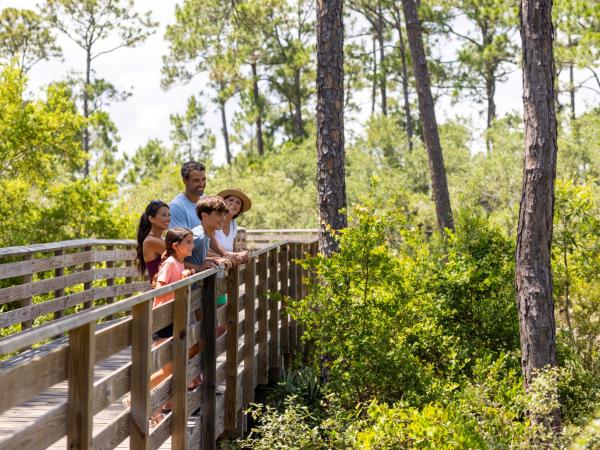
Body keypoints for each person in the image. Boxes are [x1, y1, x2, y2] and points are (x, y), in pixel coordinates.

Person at [149, 227, 198, 425]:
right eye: (189, 242)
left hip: (174, 318)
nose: (193, 246)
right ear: (176, 245)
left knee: (172, 367)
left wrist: (186, 275)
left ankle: (155, 409)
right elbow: (160, 291)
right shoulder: (170, 263)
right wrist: (183, 280)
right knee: (168, 368)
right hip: (164, 320)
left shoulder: (179, 263)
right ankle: (136, 398)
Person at [169, 160, 241, 265]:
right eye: (196, 180)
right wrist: (217, 258)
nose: (201, 184)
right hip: (188, 271)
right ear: (185, 181)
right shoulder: (177, 207)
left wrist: (225, 254)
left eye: (203, 179)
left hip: (205, 268)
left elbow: (209, 235)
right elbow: (182, 246)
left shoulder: (204, 199)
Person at [135, 200, 170, 283]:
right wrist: (198, 267)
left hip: (169, 289)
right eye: (164, 215)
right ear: (151, 219)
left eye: (169, 215)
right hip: (161, 292)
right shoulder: (151, 241)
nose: (168, 218)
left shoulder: (160, 239)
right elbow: (180, 252)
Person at [215, 188, 252, 254]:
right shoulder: (214, 220)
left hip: (228, 263)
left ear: (240, 209)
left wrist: (242, 253)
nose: (234, 204)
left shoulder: (233, 224)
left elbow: (233, 250)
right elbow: (208, 250)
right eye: (231, 200)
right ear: (223, 202)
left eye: (238, 202)